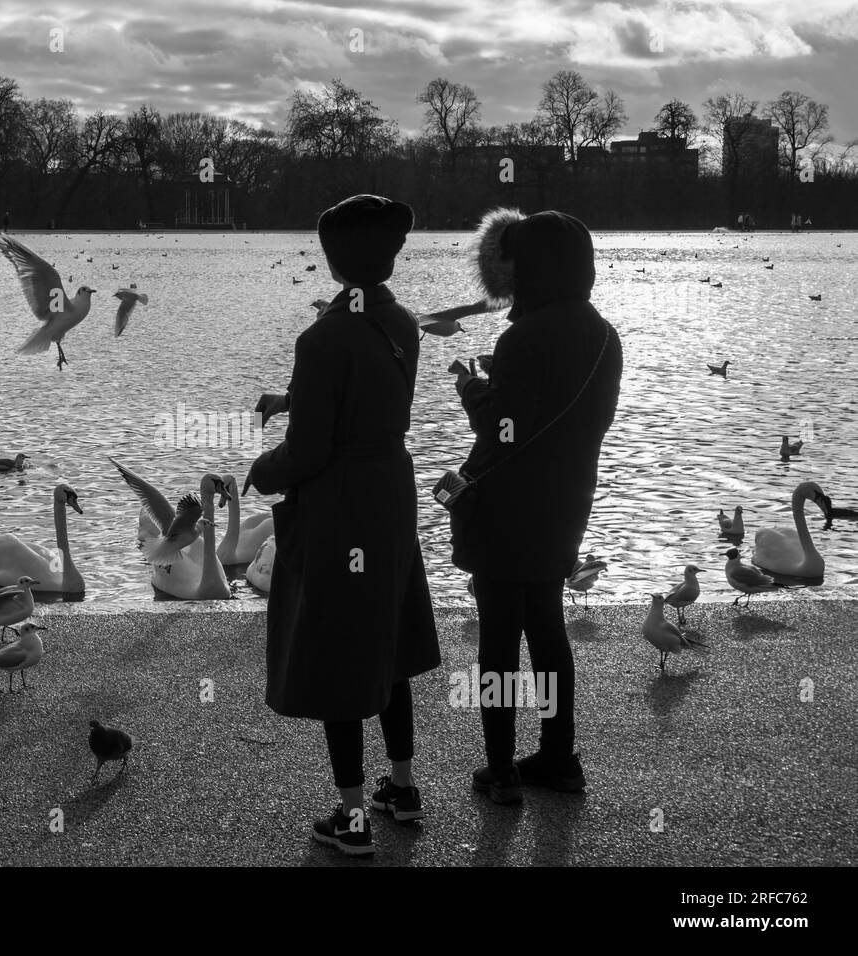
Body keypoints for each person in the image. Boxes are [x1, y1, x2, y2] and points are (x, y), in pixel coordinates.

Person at [246, 194, 440, 857]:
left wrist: (262, 472)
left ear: (334, 259)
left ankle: (352, 819)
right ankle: (403, 790)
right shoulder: (402, 324)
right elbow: (368, 397)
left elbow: (309, 452)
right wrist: (297, 397)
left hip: (340, 503)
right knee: (388, 639)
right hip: (391, 490)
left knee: (336, 651)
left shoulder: (321, 337)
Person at [448, 209, 622, 805]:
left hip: (505, 507)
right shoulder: (604, 335)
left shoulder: (522, 334)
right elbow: (576, 414)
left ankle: (500, 769)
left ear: (533, 265)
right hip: (567, 500)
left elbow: (502, 430)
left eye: (517, 258)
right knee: (547, 627)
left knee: (498, 638)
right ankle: (559, 756)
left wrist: (473, 389)